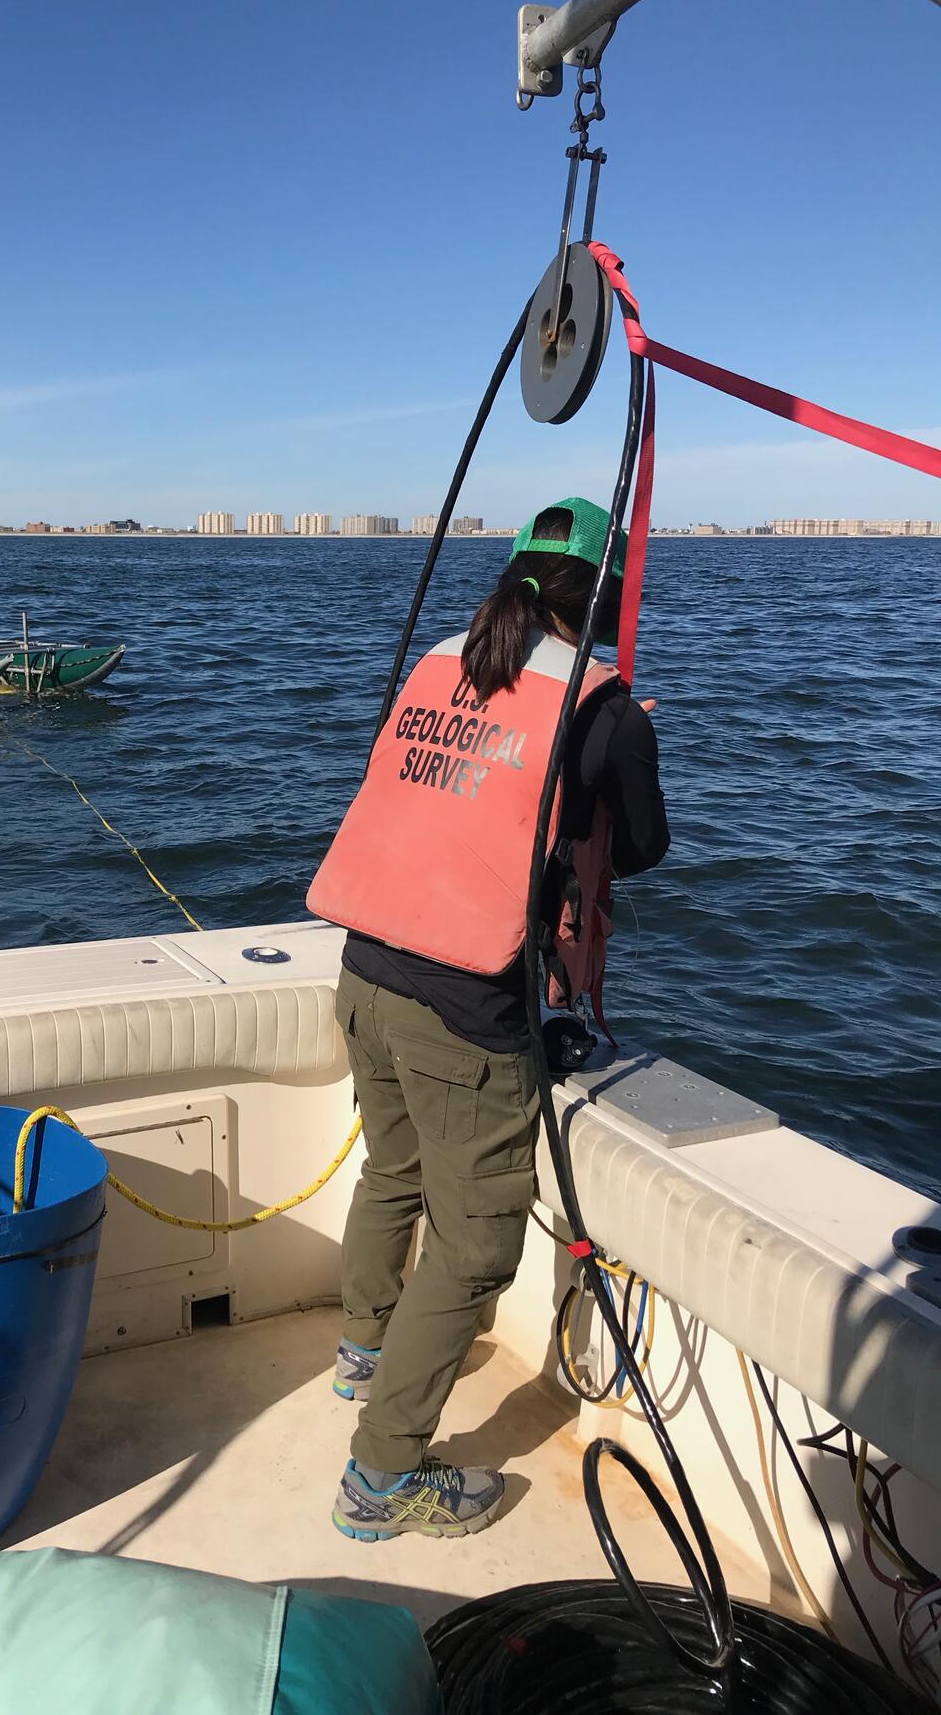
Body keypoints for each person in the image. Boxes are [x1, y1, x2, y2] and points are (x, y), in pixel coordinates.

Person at [306, 496, 670, 1543]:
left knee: (394, 1168)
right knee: (473, 1248)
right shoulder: (604, 712)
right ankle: (381, 1477)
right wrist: (628, 749)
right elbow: (640, 846)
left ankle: (364, 1351)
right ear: (601, 597)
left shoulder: (440, 662)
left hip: (363, 968)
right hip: (460, 1004)